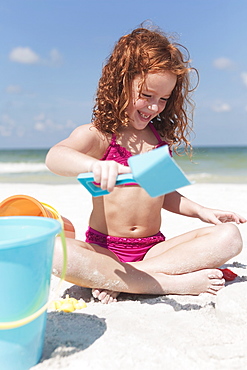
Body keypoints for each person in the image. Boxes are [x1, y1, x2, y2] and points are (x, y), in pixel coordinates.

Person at [46, 26, 246, 304]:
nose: (154, 107)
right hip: (104, 250)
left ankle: (128, 278)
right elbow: (55, 156)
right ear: (121, 83)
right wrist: (94, 166)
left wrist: (202, 211)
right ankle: (167, 283)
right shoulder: (101, 135)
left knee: (230, 237)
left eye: (163, 99)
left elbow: (164, 194)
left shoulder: (158, 140)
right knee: (53, 251)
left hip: (153, 250)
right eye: (147, 95)